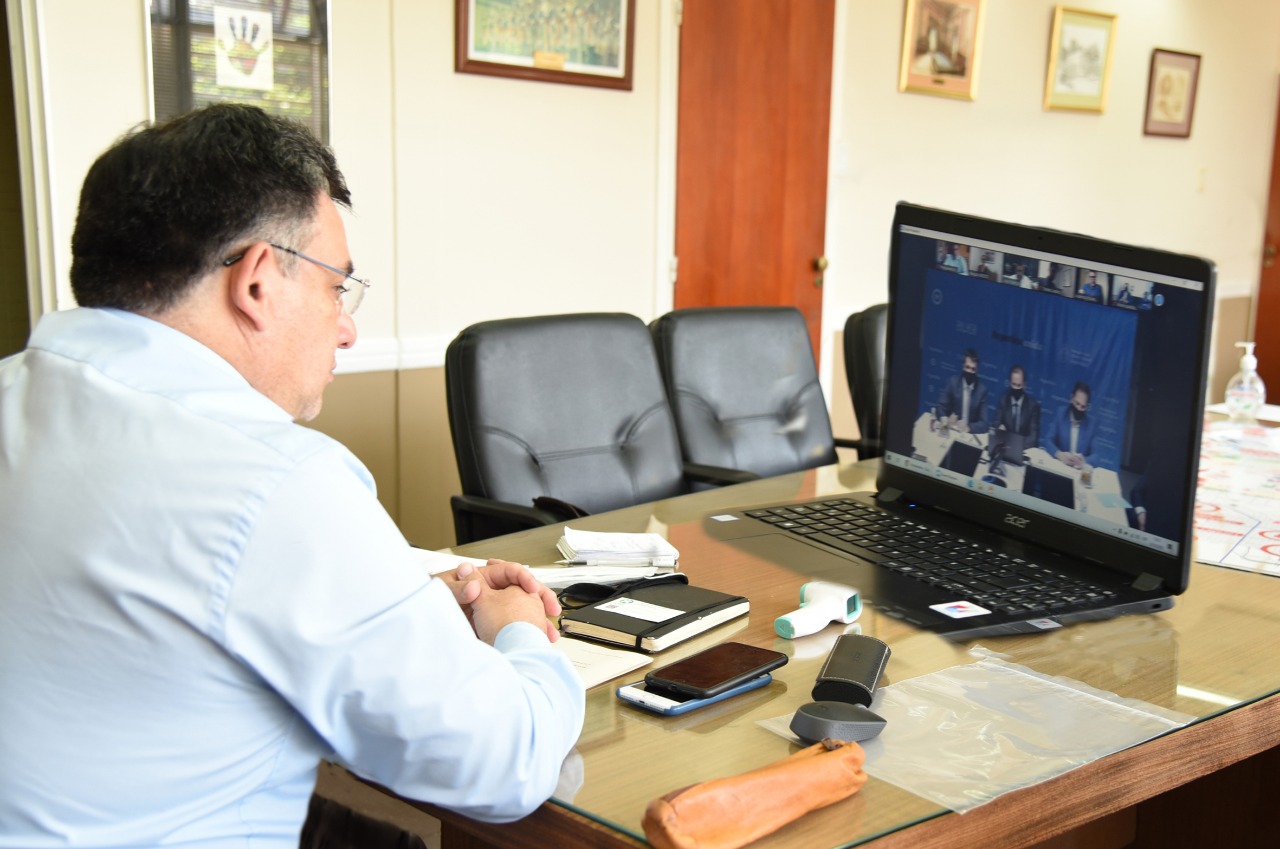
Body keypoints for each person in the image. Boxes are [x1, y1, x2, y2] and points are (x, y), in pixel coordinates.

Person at [0, 104, 585, 847]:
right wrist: (523, 635)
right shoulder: (271, 478)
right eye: (337, 285)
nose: (346, 326)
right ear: (255, 283)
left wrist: (394, 596)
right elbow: (503, 762)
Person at [1046, 381, 1100, 469]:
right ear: (1071, 398)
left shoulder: (1091, 424)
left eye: (1083, 406)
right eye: (1077, 404)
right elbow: (1048, 440)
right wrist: (1060, 454)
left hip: (1078, 473)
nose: (1079, 408)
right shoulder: (1061, 414)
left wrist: (1084, 460)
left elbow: (1096, 456)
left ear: (1087, 407)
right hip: (1060, 468)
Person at [936, 348, 989, 434]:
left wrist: (969, 427)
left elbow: (985, 424)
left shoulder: (982, 391)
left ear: (977, 370)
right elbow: (940, 407)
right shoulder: (953, 383)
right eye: (967, 367)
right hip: (952, 430)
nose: (969, 371)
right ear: (963, 366)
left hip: (969, 435)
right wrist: (946, 421)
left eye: (973, 369)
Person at [993, 364, 1041, 448]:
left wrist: (1015, 445)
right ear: (1009, 383)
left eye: (1018, 385)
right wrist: (999, 429)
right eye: (1013, 384)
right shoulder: (1003, 400)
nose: (1015, 388)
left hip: (1023, 450)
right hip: (1004, 448)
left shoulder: (1032, 406)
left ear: (1024, 385)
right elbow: (996, 423)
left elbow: (1033, 438)